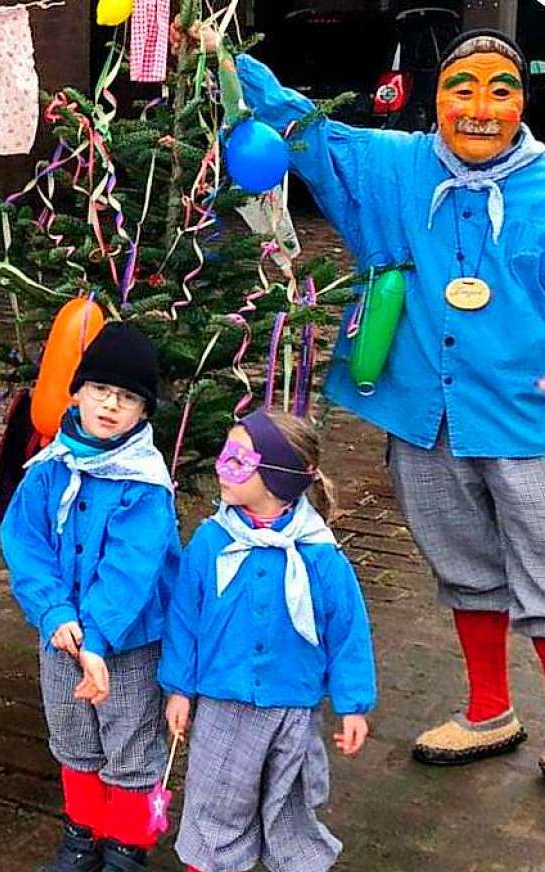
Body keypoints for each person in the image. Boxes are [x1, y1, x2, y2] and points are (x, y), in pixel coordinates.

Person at [171, 20, 545, 769]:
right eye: (459, 89)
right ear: (435, 101)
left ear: (522, 103)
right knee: (464, 567)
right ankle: (486, 711)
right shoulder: (391, 165)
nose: (478, 107)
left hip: (523, 418)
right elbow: (299, 129)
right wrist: (220, 55)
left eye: (498, 91)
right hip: (421, 412)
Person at [160, 410, 376, 872]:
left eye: (239, 460)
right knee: (215, 804)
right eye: (225, 456)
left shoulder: (320, 554)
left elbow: (347, 629)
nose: (223, 469)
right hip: (223, 707)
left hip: (294, 709)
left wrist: (352, 703)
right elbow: (185, 617)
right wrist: (179, 688)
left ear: (279, 477)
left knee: (295, 806)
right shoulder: (210, 541)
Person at [0, 323, 181, 872]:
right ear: (75, 393)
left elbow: (131, 569)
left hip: (125, 643)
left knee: (130, 744)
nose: (109, 405)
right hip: (63, 637)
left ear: (143, 410)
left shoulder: (144, 483)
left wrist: (98, 638)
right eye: (100, 389)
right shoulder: (50, 466)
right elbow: (25, 543)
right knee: (74, 735)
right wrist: (54, 613)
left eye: (126, 397)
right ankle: (85, 835)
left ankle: (129, 851)